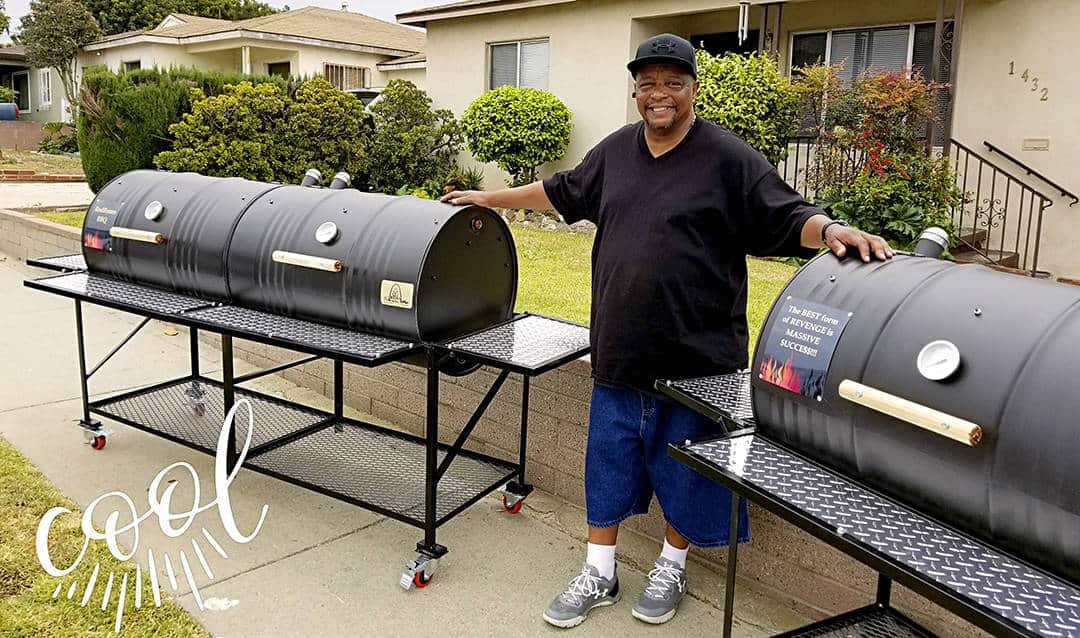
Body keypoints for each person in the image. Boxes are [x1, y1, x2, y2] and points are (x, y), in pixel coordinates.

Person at [442, 33, 893, 629]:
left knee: (685, 471)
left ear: (693, 91)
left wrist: (830, 229)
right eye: (648, 83)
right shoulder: (615, 152)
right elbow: (560, 190)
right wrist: (489, 197)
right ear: (636, 91)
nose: (659, 95)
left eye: (672, 83)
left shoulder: (728, 158)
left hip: (698, 357)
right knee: (607, 466)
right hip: (620, 350)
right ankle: (599, 571)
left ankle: (671, 564)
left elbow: (787, 215)